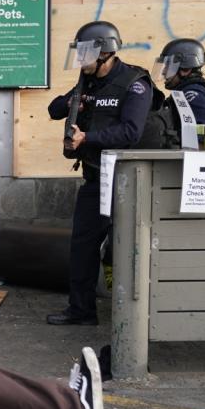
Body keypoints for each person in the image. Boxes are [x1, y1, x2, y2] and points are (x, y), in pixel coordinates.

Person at [46, 21, 153, 326]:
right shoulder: (87, 81)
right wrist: (72, 101)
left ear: (105, 53)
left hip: (127, 181)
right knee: (82, 245)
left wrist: (87, 139)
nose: (80, 60)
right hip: (96, 177)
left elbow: (131, 132)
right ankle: (81, 311)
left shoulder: (134, 83)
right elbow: (54, 110)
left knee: (126, 246)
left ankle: (133, 316)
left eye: (85, 53)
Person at [151, 38, 205, 130]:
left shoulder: (192, 93)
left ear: (185, 70)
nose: (163, 71)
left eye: (168, 66)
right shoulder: (186, 91)